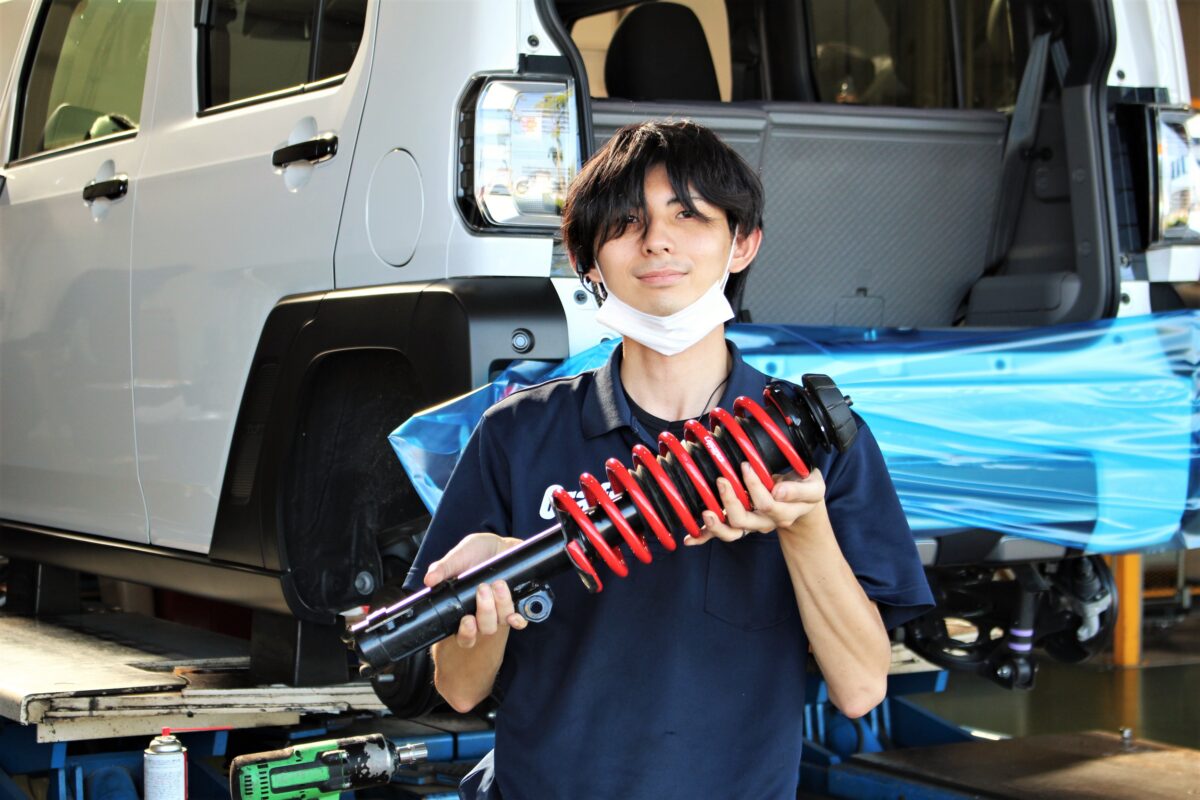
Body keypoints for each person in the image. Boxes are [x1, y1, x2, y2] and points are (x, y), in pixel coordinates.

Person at [403, 120, 933, 800]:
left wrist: (805, 528)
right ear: (587, 261)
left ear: (743, 243)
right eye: (626, 222)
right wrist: (492, 598)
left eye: (689, 215)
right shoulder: (518, 434)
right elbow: (457, 688)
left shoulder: (813, 444)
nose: (656, 240)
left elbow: (860, 689)